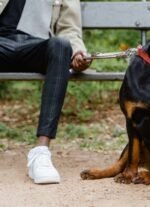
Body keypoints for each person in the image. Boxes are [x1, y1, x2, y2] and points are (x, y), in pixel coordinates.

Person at [0, 0, 92, 184]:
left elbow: (69, 30)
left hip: (35, 47)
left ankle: (40, 153)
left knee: (61, 45)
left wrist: (77, 54)